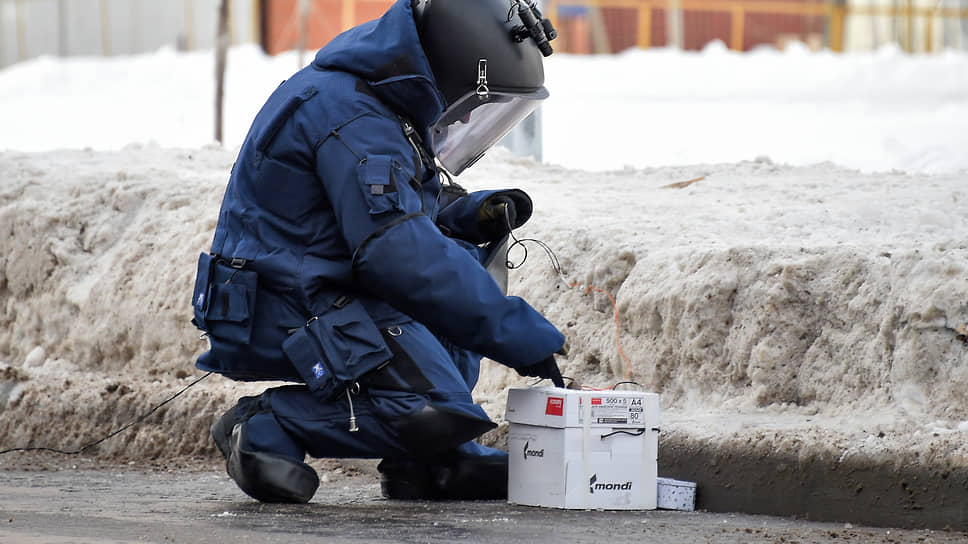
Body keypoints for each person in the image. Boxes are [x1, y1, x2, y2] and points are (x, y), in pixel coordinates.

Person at [190, 0, 565, 504]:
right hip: (285, 301)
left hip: (324, 289)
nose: (471, 113)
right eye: (474, 100)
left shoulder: (374, 102)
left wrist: (465, 216)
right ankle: (266, 425)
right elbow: (396, 252)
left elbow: (388, 211)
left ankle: (432, 463)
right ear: (451, 66)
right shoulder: (349, 115)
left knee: (454, 266)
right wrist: (518, 332)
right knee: (428, 406)